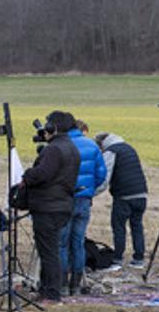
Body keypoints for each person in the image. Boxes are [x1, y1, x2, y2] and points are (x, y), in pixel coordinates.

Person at [23, 111, 80, 304]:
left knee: (48, 252)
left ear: (53, 128)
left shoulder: (54, 149)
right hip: (61, 204)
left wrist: (28, 175)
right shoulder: (71, 147)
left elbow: (43, 174)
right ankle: (48, 289)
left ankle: (51, 292)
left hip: (48, 206)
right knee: (51, 249)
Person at [59, 120, 106, 295]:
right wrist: (89, 190)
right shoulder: (92, 145)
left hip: (65, 199)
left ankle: (63, 283)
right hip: (84, 199)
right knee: (78, 242)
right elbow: (101, 175)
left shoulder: (61, 145)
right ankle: (76, 284)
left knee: (62, 243)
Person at [96, 131, 148, 270]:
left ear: (102, 144)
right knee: (137, 226)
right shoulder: (129, 148)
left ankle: (117, 259)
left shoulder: (111, 152)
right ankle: (139, 259)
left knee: (119, 227)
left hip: (124, 196)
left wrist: (91, 193)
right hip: (142, 194)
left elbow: (105, 179)